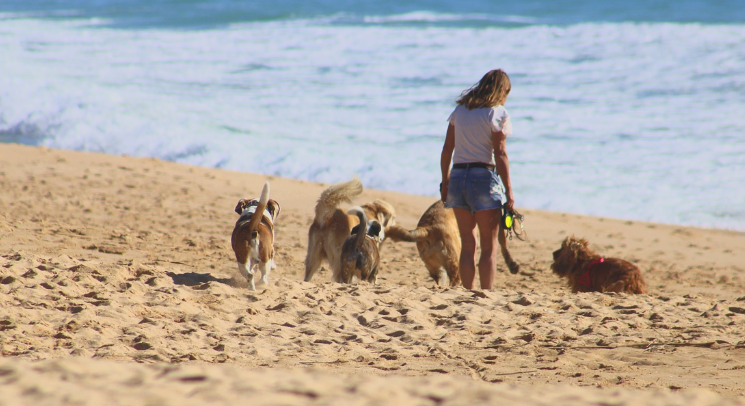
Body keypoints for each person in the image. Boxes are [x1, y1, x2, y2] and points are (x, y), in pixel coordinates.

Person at [440, 69, 520, 290]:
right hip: (483, 178)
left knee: (468, 244)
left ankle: (468, 292)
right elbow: (500, 153)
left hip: (457, 177)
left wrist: (445, 182)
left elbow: (447, 149)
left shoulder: (460, 110)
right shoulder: (497, 113)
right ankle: (486, 293)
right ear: (502, 90)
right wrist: (509, 192)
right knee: (489, 246)